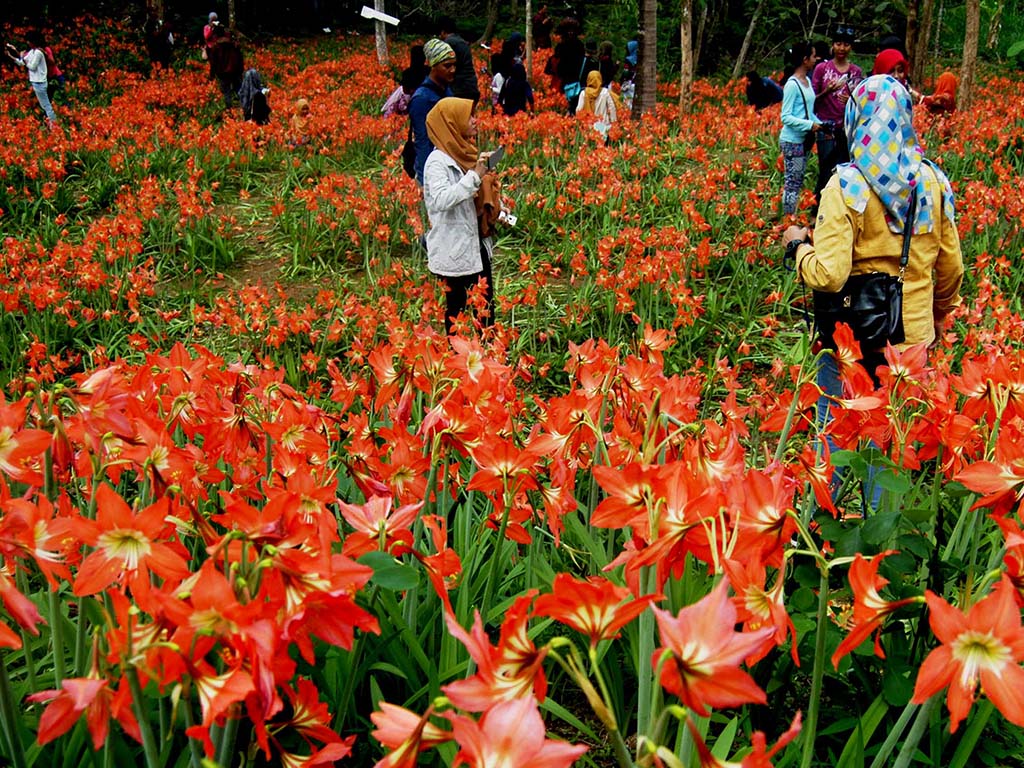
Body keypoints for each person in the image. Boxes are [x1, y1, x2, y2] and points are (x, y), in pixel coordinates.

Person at [783, 74, 963, 506]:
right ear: (905, 119)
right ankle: (879, 544)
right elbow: (952, 270)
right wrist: (934, 318)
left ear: (855, 119)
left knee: (835, 432)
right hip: (910, 342)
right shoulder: (932, 183)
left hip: (852, 337)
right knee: (889, 439)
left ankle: (821, 528)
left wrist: (798, 247)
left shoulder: (845, 185)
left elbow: (829, 275)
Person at [422, 98, 499, 335]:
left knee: (485, 308)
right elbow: (441, 200)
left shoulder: (461, 153)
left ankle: (487, 359)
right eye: (469, 116)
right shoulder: (436, 162)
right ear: (452, 123)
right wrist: (475, 176)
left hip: (474, 243)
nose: (475, 121)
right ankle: (459, 360)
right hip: (453, 250)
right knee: (457, 311)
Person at [812, 25, 864, 205]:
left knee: (844, 170)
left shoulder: (856, 72)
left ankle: (839, 206)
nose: (842, 48)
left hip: (847, 128)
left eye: (846, 45)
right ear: (833, 45)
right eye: (838, 44)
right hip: (824, 126)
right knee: (825, 168)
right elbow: (812, 99)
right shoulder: (821, 68)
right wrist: (827, 90)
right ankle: (819, 205)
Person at [779, 42, 820, 216]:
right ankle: (788, 217)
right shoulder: (792, 85)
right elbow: (786, 117)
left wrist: (821, 123)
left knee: (798, 177)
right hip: (792, 141)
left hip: (804, 140)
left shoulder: (807, 81)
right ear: (805, 60)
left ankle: (790, 215)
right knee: (793, 180)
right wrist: (810, 125)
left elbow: (808, 112)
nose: (815, 59)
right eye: (813, 56)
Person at [409, 39, 456, 185]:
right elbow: (422, 141)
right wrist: (425, 181)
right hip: (433, 171)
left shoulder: (446, 89)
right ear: (433, 66)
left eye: (455, 65)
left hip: (449, 162)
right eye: (447, 66)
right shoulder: (421, 99)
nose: (453, 70)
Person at [5, 32, 57, 125]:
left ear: (33, 42)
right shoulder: (32, 52)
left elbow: (32, 67)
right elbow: (22, 62)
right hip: (36, 82)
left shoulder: (38, 52)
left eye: (29, 41)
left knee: (46, 105)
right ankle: (52, 124)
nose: (28, 43)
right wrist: (11, 55)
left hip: (40, 82)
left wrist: (23, 60)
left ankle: (54, 125)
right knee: (44, 105)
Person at [437, 16, 480, 105]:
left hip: (459, 89)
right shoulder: (461, 41)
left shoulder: (449, 43)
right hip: (471, 86)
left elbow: (446, 66)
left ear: (443, 31)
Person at [208, 23, 244, 110]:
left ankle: (229, 111)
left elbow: (213, 62)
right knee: (238, 89)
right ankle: (243, 107)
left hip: (222, 73)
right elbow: (239, 57)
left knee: (226, 92)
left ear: (215, 35)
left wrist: (212, 74)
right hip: (235, 71)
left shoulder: (215, 47)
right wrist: (241, 69)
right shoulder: (233, 44)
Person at [555, 18, 586, 115]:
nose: (571, 33)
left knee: (570, 95)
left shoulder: (563, 46)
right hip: (570, 75)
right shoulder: (578, 45)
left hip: (571, 75)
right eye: (569, 30)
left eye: (572, 30)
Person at [577, 69, 616, 138]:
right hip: (604, 124)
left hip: (588, 125)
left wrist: (579, 123)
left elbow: (579, 110)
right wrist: (613, 122)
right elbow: (612, 107)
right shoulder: (605, 92)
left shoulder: (584, 93)